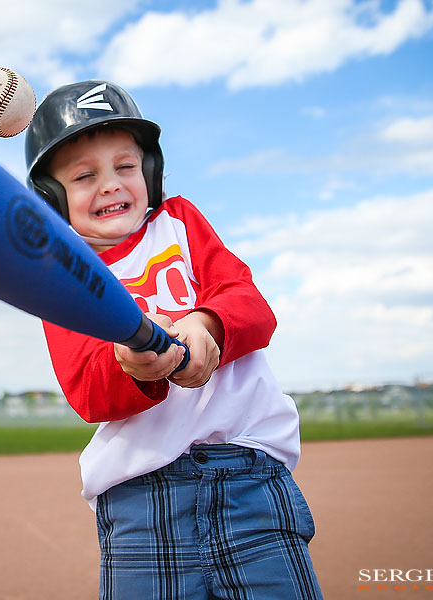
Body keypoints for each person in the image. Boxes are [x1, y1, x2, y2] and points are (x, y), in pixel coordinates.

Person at [25, 80, 323, 600]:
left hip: (248, 476)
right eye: (84, 176)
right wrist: (130, 363)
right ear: (53, 198)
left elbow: (251, 306)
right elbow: (87, 392)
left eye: (125, 166)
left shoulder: (179, 223)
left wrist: (205, 326)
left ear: (151, 171)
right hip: (142, 498)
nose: (112, 184)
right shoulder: (63, 275)